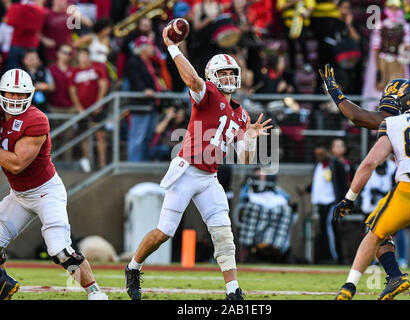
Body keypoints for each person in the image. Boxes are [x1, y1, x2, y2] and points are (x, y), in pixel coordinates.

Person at [124, 26, 272, 301]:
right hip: (187, 171)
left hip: (209, 178)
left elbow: (245, 158)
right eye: (223, 73)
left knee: (223, 233)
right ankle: (133, 267)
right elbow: (192, 79)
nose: (228, 77)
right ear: (212, 78)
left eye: (232, 73)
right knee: (164, 232)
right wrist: (172, 47)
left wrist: (250, 138)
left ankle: (233, 290)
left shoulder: (241, 115)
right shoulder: (207, 95)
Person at [320, 64, 410, 300]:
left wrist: (336, 94)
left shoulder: (396, 122)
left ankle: (354, 286)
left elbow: (359, 119)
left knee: (374, 229)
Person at [0, 68, 108, 300]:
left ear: (30, 95)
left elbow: (17, 163)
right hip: (18, 195)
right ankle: (3, 284)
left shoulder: (36, 120)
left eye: (21, 95)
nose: (15, 99)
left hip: (45, 192)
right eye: (11, 93)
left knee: (60, 251)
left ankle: (95, 293)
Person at [69, 48, 109, 171]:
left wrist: (98, 103)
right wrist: (79, 108)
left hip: (97, 108)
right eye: (81, 55)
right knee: (84, 136)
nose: (84, 58)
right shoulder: (74, 72)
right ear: (78, 57)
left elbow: (104, 84)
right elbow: (72, 91)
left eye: (86, 55)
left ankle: (102, 163)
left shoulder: (97, 69)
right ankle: (88, 164)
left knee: (100, 135)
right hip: (83, 109)